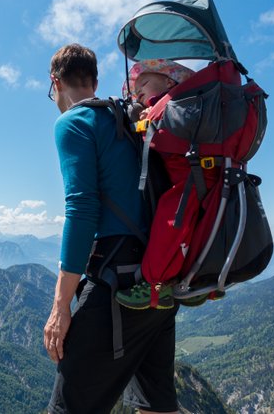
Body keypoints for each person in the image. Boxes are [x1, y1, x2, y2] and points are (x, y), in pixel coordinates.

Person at [44, 44, 180, 414]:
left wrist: (60, 307)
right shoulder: (130, 118)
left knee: (67, 408)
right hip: (158, 280)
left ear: (55, 83)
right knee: (155, 406)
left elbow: (82, 210)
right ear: (95, 80)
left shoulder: (73, 123)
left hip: (117, 287)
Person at [115, 59, 197, 310]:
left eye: (145, 84)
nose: (138, 92)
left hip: (187, 182)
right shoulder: (186, 105)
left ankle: (155, 286)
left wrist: (142, 122)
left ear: (170, 82)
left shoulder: (169, 107)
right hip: (199, 180)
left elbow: (161, 140)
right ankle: (196, 281)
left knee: (167, 226)